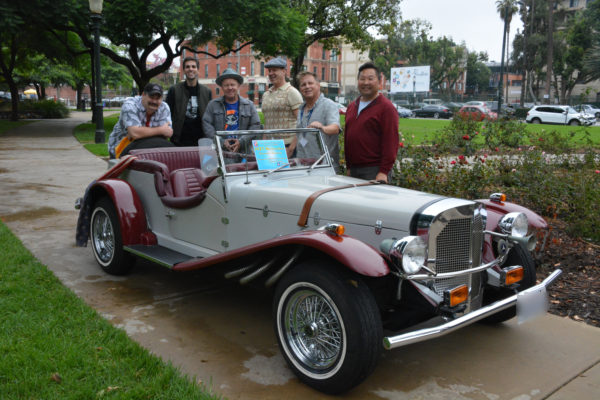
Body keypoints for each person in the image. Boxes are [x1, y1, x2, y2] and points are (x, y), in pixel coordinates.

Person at [344, 62, 399, 183]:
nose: (366, 83)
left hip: (374, 171)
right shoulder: (352, 106)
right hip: (354, 170)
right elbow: (347, 137)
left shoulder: (386, 108)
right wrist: (348, 167)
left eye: (370, 79)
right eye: (362, 79)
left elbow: (391, 142)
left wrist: (383, 172)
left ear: (379, 82)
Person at [108, 83, 174, 159]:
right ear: (143, 95)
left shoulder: (164, 107)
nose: (154, 101)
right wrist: (161, 130)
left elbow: (167, 133)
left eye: (158, 98)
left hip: (146, 150)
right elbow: (135, 133)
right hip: (120, 151)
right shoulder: (130, 105)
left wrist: (140, 132)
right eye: (151, 97)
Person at [202, 68, 261, 152]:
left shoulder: (249, 105)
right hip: (220, 152)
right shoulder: (212, 105)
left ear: (238, 86)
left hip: (243, 152)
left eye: (233, 84)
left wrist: (241, 141)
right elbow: (207, 125)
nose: (230, 88)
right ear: (222, 87)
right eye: (226, 85)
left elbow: (255, 126)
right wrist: (221, 142)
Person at [295, 71, 341, 172]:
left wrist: (322, 127)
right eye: (303, 85)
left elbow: (335, 128)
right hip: (303, 165)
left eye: (310, 83)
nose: (307, 87)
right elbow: (299, 135)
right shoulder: (301, 108)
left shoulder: (329, 105)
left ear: (318, 86)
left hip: (323, 166)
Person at [261, 57, 303, 157]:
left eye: (274, 70)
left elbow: (302, 123)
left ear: (284, 71)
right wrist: (263, 145)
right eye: (269, 71)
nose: (271, 73)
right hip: (269, 146)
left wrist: (291, 148)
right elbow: (267, 122)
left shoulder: (292, 92)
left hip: (287, 145)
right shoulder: (266, 94)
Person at [166, 57, 212, 146]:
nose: (190, 69)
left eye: (193, 67)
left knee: (204, 160)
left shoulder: (207, 91)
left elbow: (210, 116)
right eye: (187, 67)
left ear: (198, 69)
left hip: (202, 141)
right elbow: (167, 114)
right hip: (179, 140)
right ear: (183, 70)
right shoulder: (174, 90)